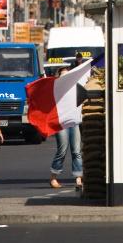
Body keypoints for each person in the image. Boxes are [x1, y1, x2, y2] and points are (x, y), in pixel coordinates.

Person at [49, 62, 83, 190]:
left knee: (76, 151)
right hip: (61, 123)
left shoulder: (74, 88)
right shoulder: (55, 90)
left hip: (74, 121)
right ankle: (53, 177)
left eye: (67, 75)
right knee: (62, 150)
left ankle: (78, 178)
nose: (66, 77)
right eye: (63, 75)